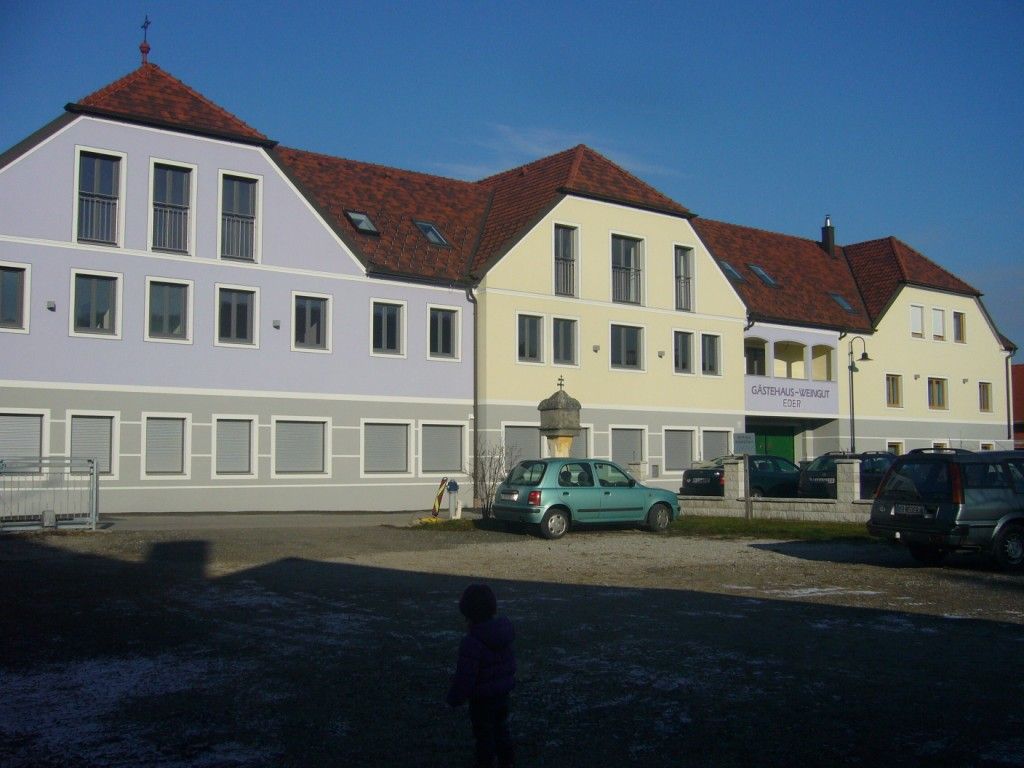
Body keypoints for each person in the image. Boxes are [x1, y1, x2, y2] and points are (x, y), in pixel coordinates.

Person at [446, 583, 516, 768]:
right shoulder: (503, 634)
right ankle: (507, 760)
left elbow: (465, 676)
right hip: (502, 694)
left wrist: (455, 698)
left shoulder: (472, 642)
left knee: (484, 734)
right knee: (501, 729)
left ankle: (485, 762)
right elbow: (510, 664)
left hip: (482, 699)